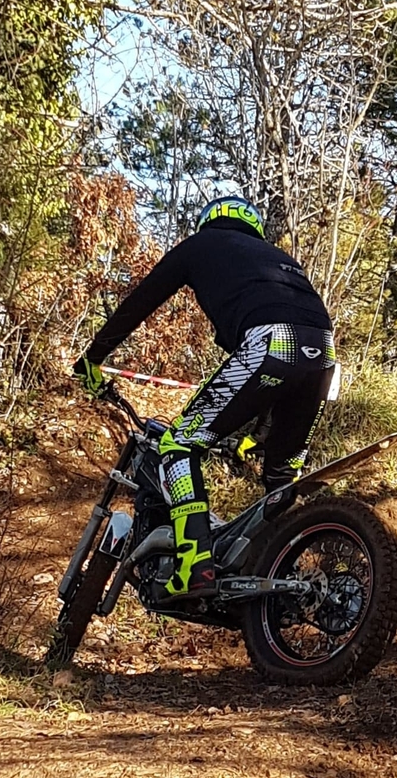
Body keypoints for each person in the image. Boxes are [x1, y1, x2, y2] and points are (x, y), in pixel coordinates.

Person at [73, 196, 335, 603]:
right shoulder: (279, 258)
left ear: (209, 221)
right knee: (281, 477)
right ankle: (275, 573)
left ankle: (194, 565)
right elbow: (290, 353)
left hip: (270, 342)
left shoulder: (201, 245)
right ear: (253, 227)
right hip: (324, 352)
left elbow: (141, 302)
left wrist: (93, 357)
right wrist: (258, 434)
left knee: (178, 446)